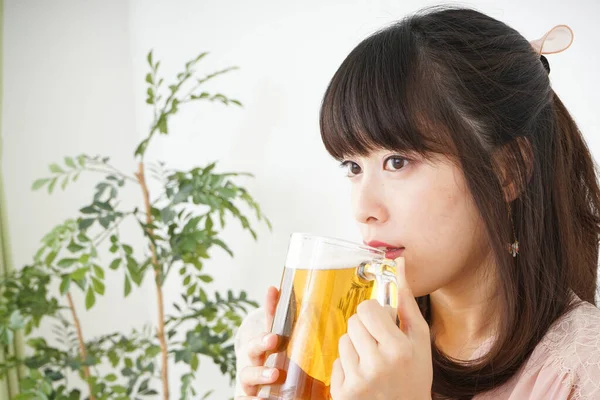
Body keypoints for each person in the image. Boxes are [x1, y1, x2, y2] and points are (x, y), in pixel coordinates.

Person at [234, 6, 600, 399]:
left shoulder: (579, 374)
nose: (363, 209)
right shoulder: (325, 338)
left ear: (506, 171)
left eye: (397, 162)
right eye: (353, 166)